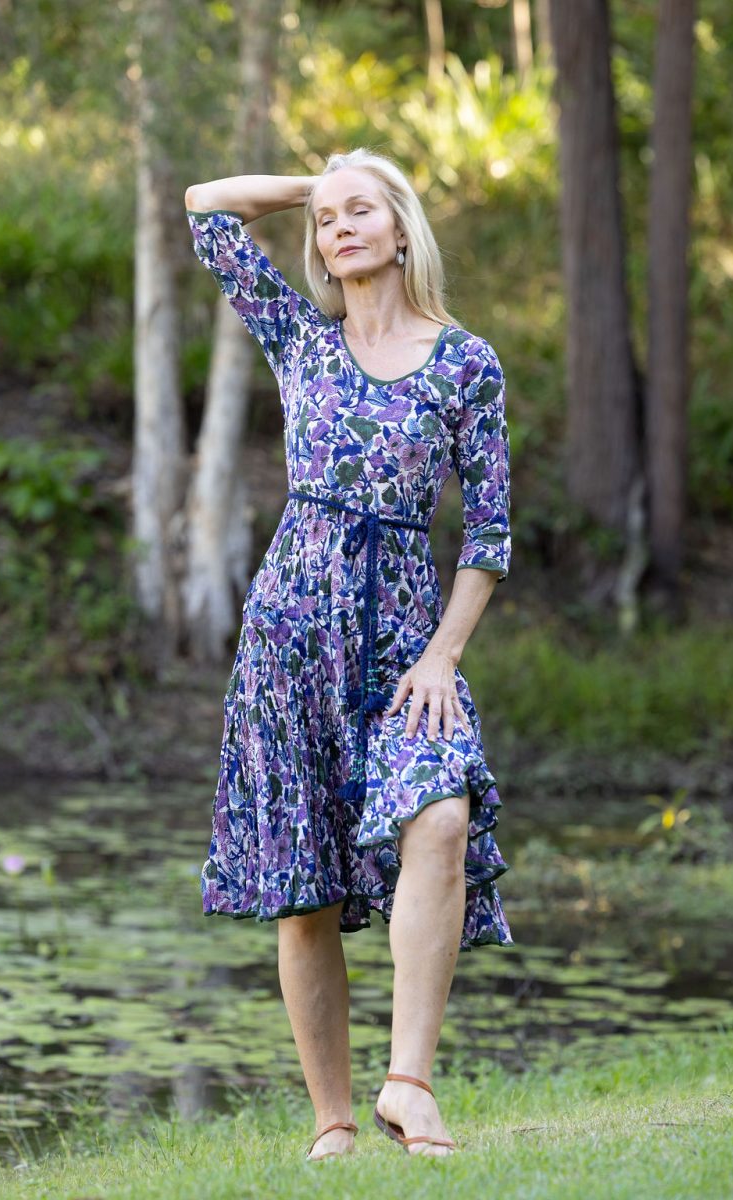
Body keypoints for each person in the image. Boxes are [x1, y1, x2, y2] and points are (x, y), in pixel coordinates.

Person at [184, 148, 514, 1160]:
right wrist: (314, 185)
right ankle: (332, 1121)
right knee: (306, 887)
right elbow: (205, 208)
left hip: (407, 644)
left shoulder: (466, 363)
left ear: (402, 227)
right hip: (291, 636)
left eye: (361, 210)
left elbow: (489, 535)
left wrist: (443, 656)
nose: (340, 229)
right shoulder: (299, 339)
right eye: (328, 222)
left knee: (441, 817)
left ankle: (407, 1084)